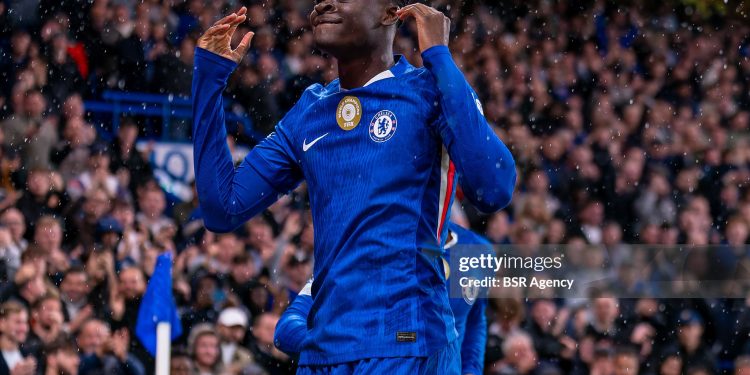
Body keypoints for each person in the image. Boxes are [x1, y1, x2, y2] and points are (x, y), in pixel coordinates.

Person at [191, 1, 516, 372]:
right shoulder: (309, 110)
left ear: (390, 12)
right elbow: (222, 207)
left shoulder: (430, 90)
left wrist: (439, 55)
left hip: (407, 343)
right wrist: (208, 78)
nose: (323, 3)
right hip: (324, 353)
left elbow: (494, 188)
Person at [274, 222, 493, 375]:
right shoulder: (362, 246)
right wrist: (361, 346)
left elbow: (474, 317)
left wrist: (471, 369)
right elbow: (286, 331)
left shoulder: (479, 251)